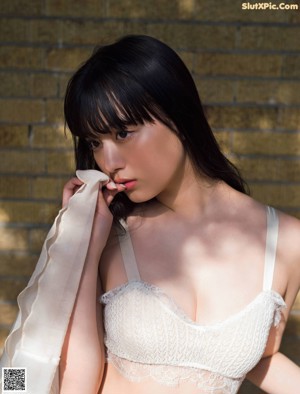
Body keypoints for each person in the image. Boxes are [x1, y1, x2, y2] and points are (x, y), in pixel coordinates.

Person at [1, 35, 299, 394]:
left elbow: (261, 358)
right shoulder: (108, 230)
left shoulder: (289, 242)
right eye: (95, 143)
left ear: (179, 115)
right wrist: (84, 242)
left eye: (123, 133)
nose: (108, 163)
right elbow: (72, 370)